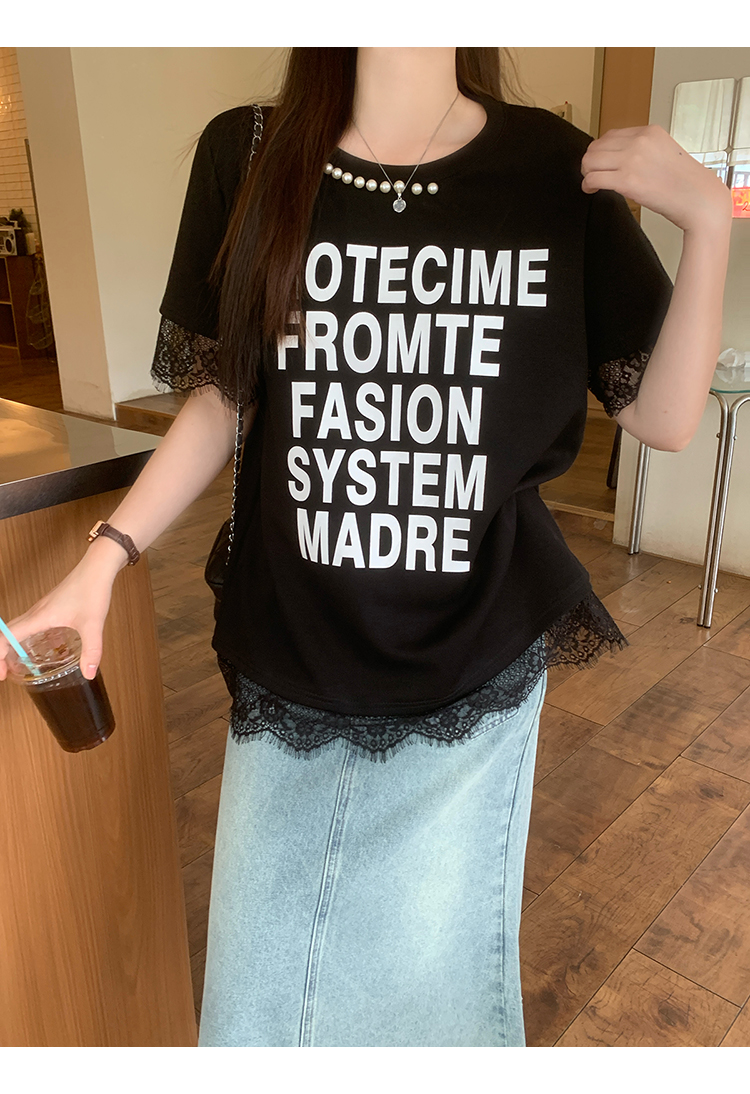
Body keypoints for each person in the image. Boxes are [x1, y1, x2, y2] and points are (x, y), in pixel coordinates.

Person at [0, 48, 732, 1047]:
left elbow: (665, 414)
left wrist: (706, 223)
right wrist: (106, 557)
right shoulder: (249, 153)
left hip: (472, 661)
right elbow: (224, 394)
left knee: (433, 1010)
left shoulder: (554, 169)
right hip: (292, 647)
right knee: (254, 1011)